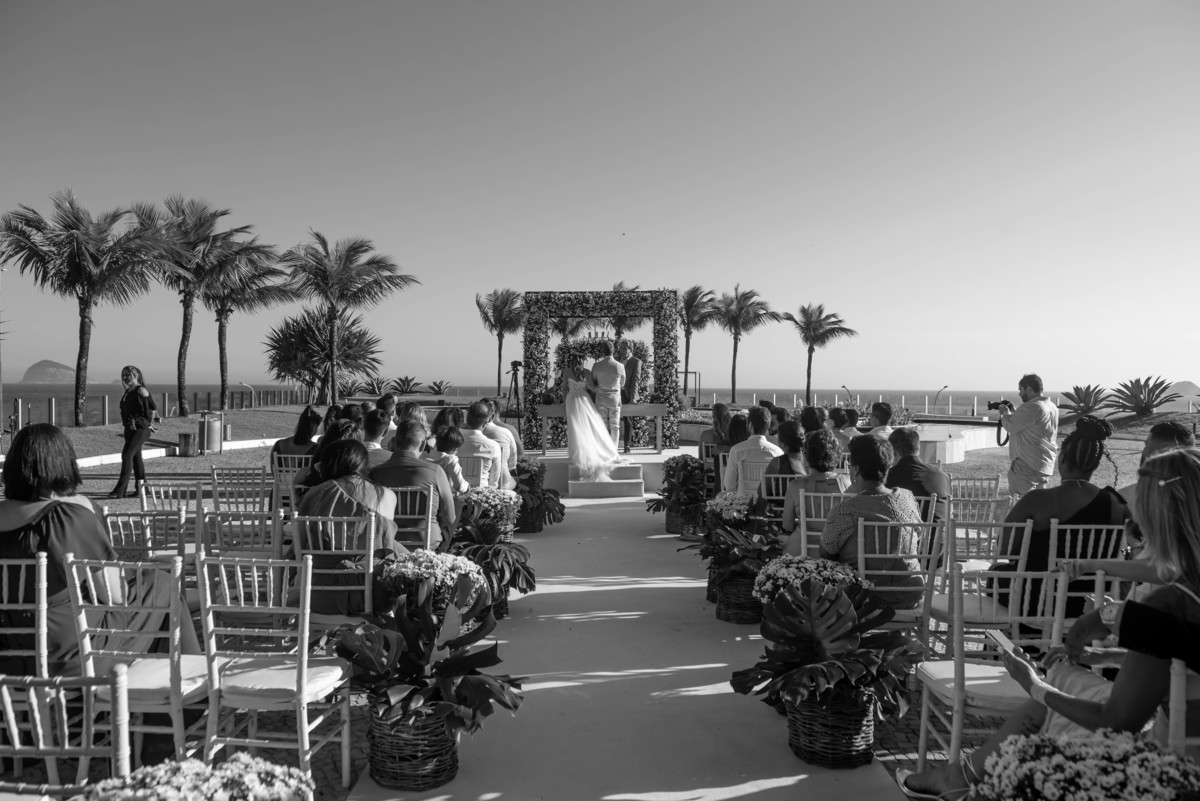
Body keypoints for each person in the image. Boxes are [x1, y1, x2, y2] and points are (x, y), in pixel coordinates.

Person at [898, 446, 1200, 797]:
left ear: (1155, 517)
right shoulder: (1185, 589)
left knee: (1050, 693)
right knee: (1063, 674)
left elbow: (1117, 721)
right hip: (1173, 731)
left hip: (1168, 765)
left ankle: (967, 779)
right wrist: (1106, 657)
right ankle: (961, 775)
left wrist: (1033, 684)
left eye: (1139, 518)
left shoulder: (1167, 604)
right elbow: (1180, 657)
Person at [0, 424, 116, 676]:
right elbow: (114, 595)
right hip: (69, 654)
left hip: (8, 653)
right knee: (160, 589)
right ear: (62, 464)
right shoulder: (66, 518)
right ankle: (182, 699)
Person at [999, 415, 1127, 617]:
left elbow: (1005, 550)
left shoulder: (1036, 500)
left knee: (998, 573)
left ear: (1062, 459)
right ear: (1095, 464)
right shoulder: (1116, 504)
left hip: (1033, 602)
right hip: (1088, 605)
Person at [295, 440, 401, 616]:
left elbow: (300, 546)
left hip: (318, 595)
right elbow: (385, 549)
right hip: (373, 594)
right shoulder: (387, 496)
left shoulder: (315, 494)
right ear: (364, 464)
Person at [818, 436, 924, 609]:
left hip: (865, 598)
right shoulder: (907, 498)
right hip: (911, 592)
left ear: (856, 469)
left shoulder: (845, 510)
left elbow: (825, 554)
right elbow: (918, 537)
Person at [369, 419, 456, 550]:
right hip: (427, 543)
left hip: (390, 543)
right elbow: (450, 517)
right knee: (457, 505)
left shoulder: (376, 473)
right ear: (422, 445)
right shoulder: (435, 471)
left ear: (394, 443)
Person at [780, 429, 852, 540]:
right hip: (838, 550)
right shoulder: (847, 482)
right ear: (837, 456)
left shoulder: (795, 485)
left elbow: (787, 526)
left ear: (806, 456)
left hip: (802, 547)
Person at [998, 373, 1059, 498]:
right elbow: (1031, 425)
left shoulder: (1034, 406)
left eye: (1021, 390)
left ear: (1029, 389)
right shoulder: (1052, 407)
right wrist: (1015, 412)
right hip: (1044, 463)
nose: (1019, 394)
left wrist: (1005, 413)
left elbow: (1011, 426)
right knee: (1038, 505)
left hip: (1027, 464)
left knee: (1021, 504)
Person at [563, 355, 624, 481]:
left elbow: (564, 388)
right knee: (588, 426)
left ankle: (577, 452)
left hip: (571, 400)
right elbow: (593, 388)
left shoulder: (567, 371)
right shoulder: (586, 372)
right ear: (583, 361)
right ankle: (592, 450)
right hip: (585, 399)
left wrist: (565, 400)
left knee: (575, 427)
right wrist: (608, 386)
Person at [1117, 421, 1195, 512]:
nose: (1144, 451)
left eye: (1147, 445)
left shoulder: (1125, 498)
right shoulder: (1194, 495)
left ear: (1166, 450)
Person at [108, 365, 157, 499]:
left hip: (140, 429)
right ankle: (143, 489)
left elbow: (152, 409)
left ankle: (120, 490)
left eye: (127, 375)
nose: (125, 377)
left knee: (127, 455)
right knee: (136, 458)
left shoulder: (141, 390)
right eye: (123, 375)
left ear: (136, 375)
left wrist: (147, 424)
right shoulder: (128, 391)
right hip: (129, 429)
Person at [886, 428, 951, 526]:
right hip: (940, 538)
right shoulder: (942, 476)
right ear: (918, 448)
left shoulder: (890, 476)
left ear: (893, 451)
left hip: (909, 539)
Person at [723, 407, 782, 493]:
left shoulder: (736, 450)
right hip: (768, 503)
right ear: (768, 425)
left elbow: (729, 485)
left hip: (742, 502)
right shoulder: (777, 452)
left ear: (749, 424)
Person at [458, 402, 505, 489]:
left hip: (453, 493)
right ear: (486, 422)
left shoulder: (451, 439)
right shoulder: (493, 446)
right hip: (481, 496)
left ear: (467, 418)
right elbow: (494, 482)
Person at [589, 341, 626, 446]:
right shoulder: (620, 366)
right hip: (615, 399)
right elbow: (622, 383)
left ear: (602, 351)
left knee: (602, 425)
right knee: (615, 426)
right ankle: (614, 450)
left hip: (601, 399)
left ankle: (604, 449)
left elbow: (593, 381)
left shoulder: (596, 365)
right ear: (613, 350)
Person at [424, 426, 470, 496]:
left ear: (436, 443)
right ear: (455, 449)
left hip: (427, 496)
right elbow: (459, 486)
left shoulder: (424, 456)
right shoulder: (450, 460)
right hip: (444, 498)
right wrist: (467, 486)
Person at [617, 341, 642, 454]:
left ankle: (627, 446)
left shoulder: (636, 362)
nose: (621, 350)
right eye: (621, 348)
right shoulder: (616, 360)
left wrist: (633, 398)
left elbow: (635, 380)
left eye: (624, 348)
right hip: (616, 394)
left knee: (627, 421)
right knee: (614, 420)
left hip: (627, 394)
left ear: (630, 349)